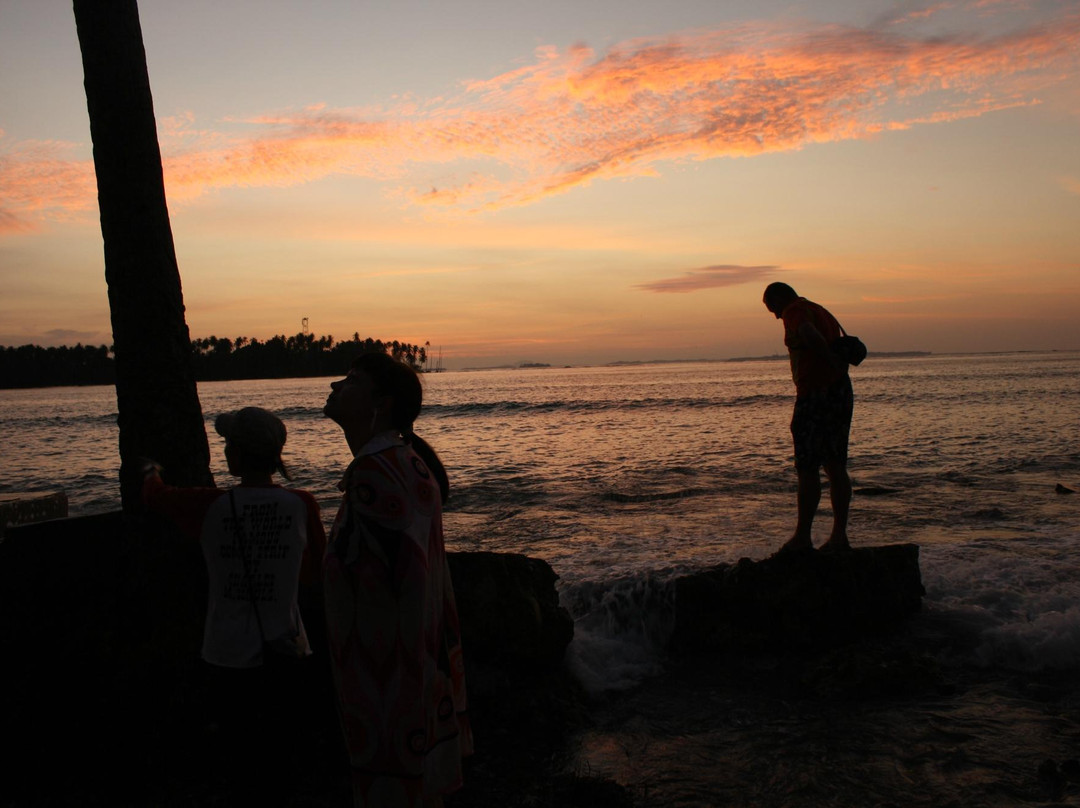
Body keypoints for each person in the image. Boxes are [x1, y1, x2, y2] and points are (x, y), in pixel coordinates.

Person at [141, 406, 326, 806]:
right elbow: (314, 574)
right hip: (288, 647)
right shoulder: (302, 504)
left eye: (227, 445)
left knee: (238, 755)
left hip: (226, 652)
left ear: (236, 457)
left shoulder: (207, 505)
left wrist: (150, 470)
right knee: (283, 753)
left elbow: (156, 497)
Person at [322, 352, 473, 808]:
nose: (334, 386)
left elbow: (396, 580)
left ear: (381, 403)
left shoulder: (377, 473)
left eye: (350, 382)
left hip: (386, 678)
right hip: (415, 674)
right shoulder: (405, 463)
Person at [763, 282, 854, 554]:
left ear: (781, 299)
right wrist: (834, 363)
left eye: (773, 309)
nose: (776, 316)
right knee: (835, 464)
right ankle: (839, 537)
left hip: (815, 393)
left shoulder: (795, 311)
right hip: (839, 390)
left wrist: (826, 358)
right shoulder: (820, 310)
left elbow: (808, 334)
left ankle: (803, 537)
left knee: (807, 466)